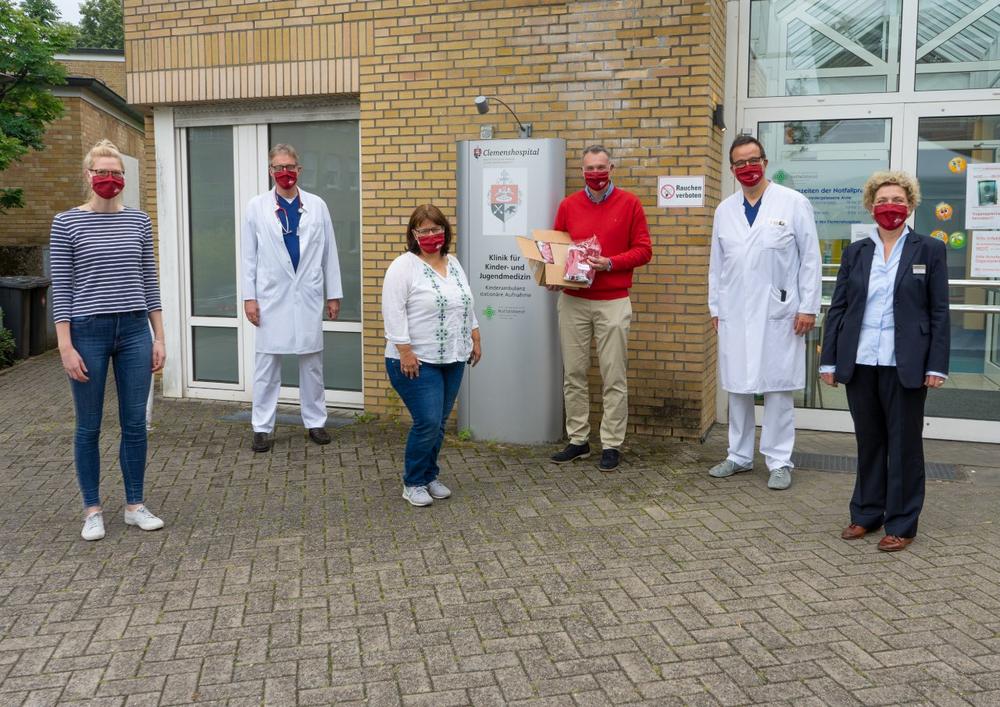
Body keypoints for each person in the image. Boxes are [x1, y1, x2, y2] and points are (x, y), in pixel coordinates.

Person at [820, 171, 949, 552]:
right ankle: (866, 513)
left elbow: (939, 311)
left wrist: (936, 364)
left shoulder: (929, 249)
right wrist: (829, 360)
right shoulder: (856, 252)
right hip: (861, 361)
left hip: (905, 363)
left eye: (897, 200)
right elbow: (839, 307)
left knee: (904, 445)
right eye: (881, 201)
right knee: (869, 441)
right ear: (870, 206)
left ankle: (902, 522)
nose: (889, 207)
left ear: (910, 205)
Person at [50, 139, 166, 541]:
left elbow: (149, 281)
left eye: (116, 173)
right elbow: (62, 288)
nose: (109, 179)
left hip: (134, 331)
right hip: (88, 333)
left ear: (124, 178)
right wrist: (65, 346)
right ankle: (92, 510)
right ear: (88, 175)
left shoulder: (139, 221)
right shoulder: (66, 223)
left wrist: (159, 337)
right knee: (89, 425)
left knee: (135, 424)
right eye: (102, 172)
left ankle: (134, 505)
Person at [708, 135, 822, 490]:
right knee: (738, 386)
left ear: (765, 162)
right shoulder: (725, 210)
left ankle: (779, 461)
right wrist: (715, 307)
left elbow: (811, 259)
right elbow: (717, 265)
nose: (748, 168)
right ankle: (738, 456)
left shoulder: (793, 203)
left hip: (780, 311)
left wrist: (808, 307)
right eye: (740, 163)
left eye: (753, 160)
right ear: (732, 169)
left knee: (777, 388)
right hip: (735, 311)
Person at [548, 145, 652, 472]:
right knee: (574, 374)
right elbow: (556, 251)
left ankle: (611, 444)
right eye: (589, 168)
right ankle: (578, 440)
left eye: (601, 167)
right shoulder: (568, 205)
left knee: (614, 375)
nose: (595, 173)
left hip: (613, 301)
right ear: (582, 171)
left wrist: (610, 263)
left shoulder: (630, 203)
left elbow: (644, 250)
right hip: (573, 301)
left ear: (611, 168)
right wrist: (553, 277)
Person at [240, 144, 342, 452]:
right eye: (278, 167)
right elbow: (248, 257)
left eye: (290, 167)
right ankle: (262, 427)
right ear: (270, 171)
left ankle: (315, 422)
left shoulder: (317, 205)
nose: (285, 172)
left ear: (299, 169)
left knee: (312, 363)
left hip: (308, 292)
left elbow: (329, 252)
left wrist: (333, 294)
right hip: (270, 295)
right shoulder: (256, 207)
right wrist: (249, 297)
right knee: (267, 364)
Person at [382, 205, 482, 507]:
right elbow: (393, 311)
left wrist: (475, 335)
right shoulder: (403, 266)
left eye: (436, 229)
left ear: (445, 231)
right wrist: (405, 351)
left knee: (438, 423)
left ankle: (428, 475)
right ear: (413, 234)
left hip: (452, 356)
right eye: (423, 230)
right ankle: (412, 482)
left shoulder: (454, 263)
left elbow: (465, 302)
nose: (430, 235)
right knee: (426, 421)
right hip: (415, 360)